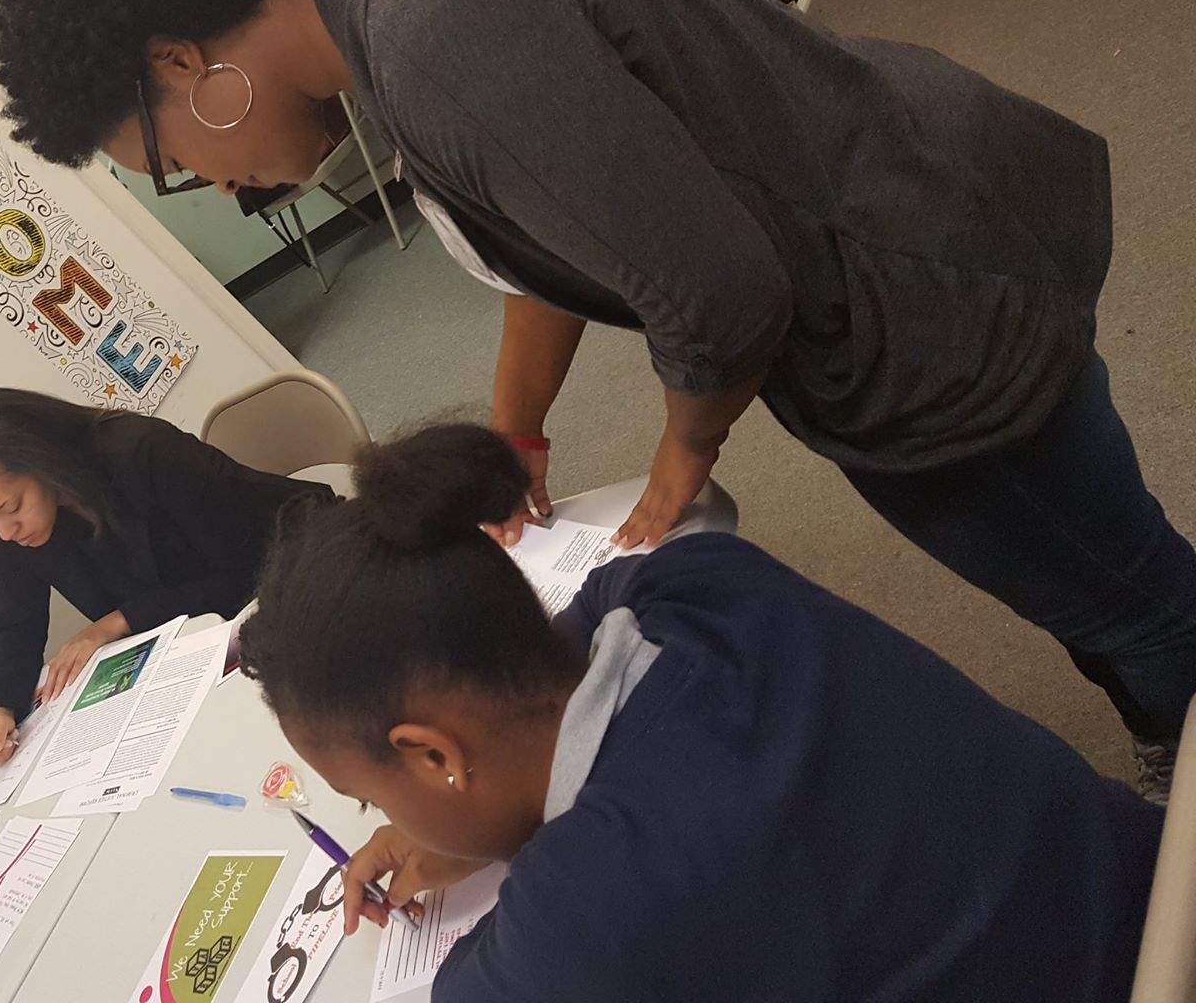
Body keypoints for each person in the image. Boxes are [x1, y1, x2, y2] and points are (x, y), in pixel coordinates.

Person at [0, 0, 1196, 799]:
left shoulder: (433, 38)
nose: (215, 183)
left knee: (1121, 592)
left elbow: (719, 295)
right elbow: (554, 239)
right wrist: (515, 438)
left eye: (169, 163)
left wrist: (677, 467)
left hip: (921, 297)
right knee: (1081, 575)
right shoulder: (381, 7)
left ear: (183, 64)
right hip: (881, 253)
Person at [239, 425, 1163, 1001]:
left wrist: (482, 835)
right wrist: (456, 820)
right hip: (1150, 881)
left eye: (374, 798)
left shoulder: (578, 915)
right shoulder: (693, 579)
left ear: (435, 755)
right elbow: (586, 609)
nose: (388, 821)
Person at [0, 388, 331, 764]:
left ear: (44, 463)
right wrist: (0, 709)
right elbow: (16, 619)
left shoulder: (141, 451)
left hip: (305, 570)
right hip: (205, 637)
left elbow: (245, 570)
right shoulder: (14, 530)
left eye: (11, 507)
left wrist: (119, 622)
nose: (3, 532)